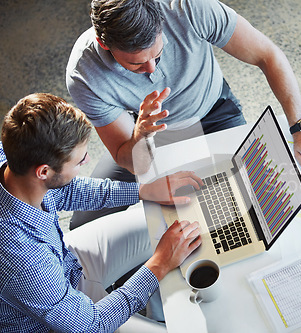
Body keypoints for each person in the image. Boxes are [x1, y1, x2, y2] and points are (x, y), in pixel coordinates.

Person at [66, 0, 301, 229]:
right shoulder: (84, 75)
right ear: (104, 43)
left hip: (213, 113)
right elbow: (136, 163)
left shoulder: (189, 7)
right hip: (147, 132)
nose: (151, 71)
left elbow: (268, 55)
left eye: (158, 55)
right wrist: (143, 134)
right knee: (86, 225)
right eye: (135, 64)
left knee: (249, 210)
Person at [0, 93, 202, 332]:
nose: (87, 161)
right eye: (79, 160)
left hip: (66, 262)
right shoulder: (22, 257)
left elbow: (67, 190)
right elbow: (91, 324)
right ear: (43, 171)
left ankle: (156, 307)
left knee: (168, 217)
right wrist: (158, 265)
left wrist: (144, 190)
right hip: (65, 319)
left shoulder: (14, 158)